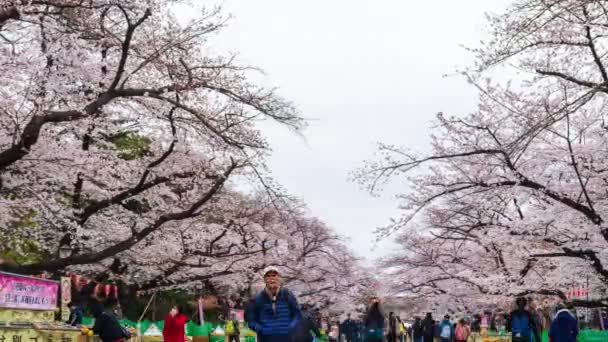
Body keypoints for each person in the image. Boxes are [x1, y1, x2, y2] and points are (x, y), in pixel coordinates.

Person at [246, 266, 301, 342]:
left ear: (279, 278)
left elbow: (297, 315)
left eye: (274, 275)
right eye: (268, 276)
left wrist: (290, 327)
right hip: (265, 339)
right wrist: (261, 329)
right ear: (264, 279)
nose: (271, 278)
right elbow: (251, 321)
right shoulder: (257, 299)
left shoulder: (288, 295)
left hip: (286, 338)